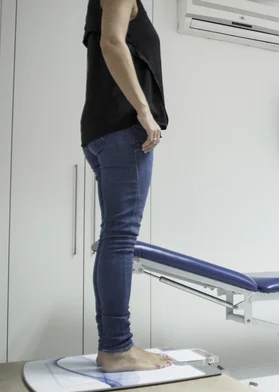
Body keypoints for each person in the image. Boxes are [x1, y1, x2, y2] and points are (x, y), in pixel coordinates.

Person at [80, 0, 171, 372]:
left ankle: (114, 346)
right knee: (119, 239)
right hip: (122, 130)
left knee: (114, 238)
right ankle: (117, 349)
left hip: (101, 132)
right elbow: (112, 43)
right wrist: (145, 111)